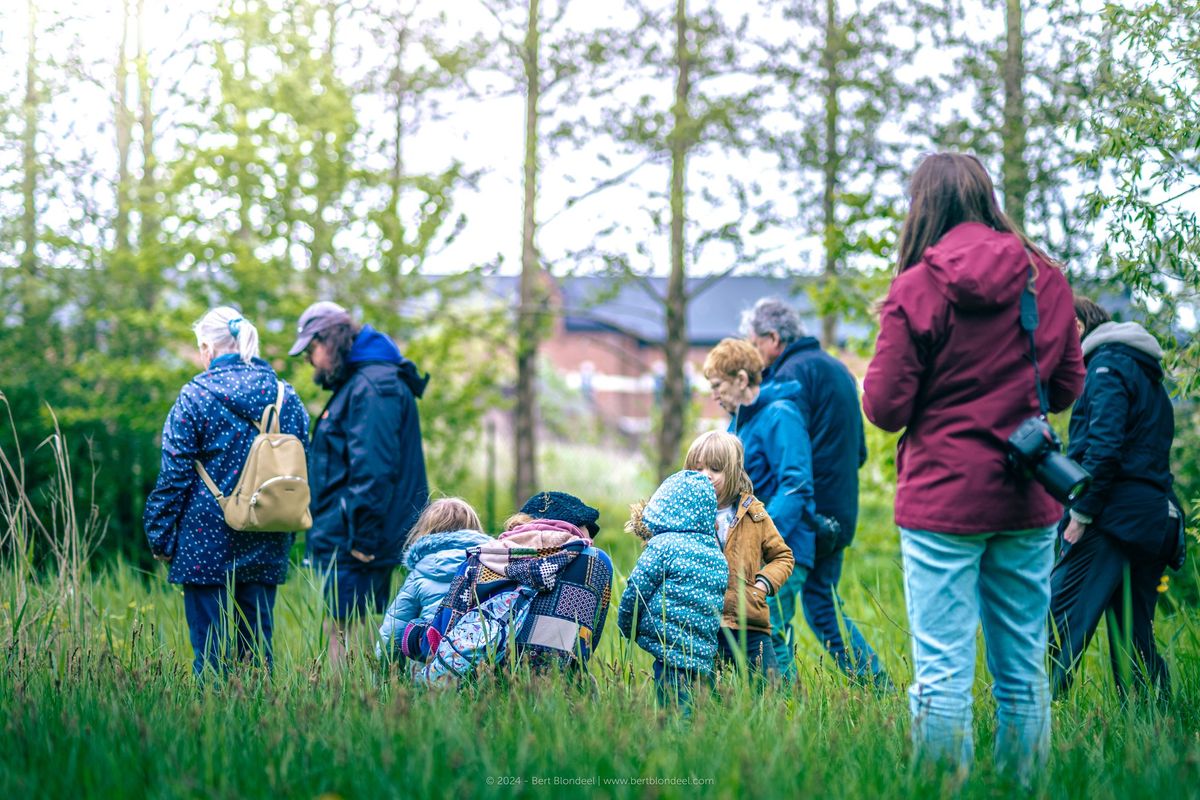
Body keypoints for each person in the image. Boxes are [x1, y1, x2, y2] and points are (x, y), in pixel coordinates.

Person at [862, 153, 1084, 783]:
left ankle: (941, 790)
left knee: (942, 671)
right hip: (1027, 495)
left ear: (922, 207)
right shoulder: (1046, 280)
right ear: (987, 197)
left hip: (943, 500)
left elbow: (884, 408)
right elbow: (1067, 385)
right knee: (1022, 671)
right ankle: (1025, 789)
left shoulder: (915, 288)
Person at [144, 307, 310, 676]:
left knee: (211, 659)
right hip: (267, 532)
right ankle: (260, 724)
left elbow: (174, 474)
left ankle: (213, 725)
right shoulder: (286, 395)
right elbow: (303, 463)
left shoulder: (194, 396)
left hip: (205, 542)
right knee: (257, 656)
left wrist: (160, 537)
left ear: (207, 348)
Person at [741, 297, 891, 689]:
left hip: (806, 518)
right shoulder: (837, 369)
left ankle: (783, 697)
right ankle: (879, 688)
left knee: (772, 612)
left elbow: (787, 457)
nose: (753, 355)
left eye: (754, 342)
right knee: (822, 603)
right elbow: (859, 452)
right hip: (839, 511)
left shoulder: (789, 377)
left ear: (773, 338)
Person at [1049, 297, 1179, 699]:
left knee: (1057, 628)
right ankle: (1153, 728)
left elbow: (1105, 449)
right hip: (1153, 520)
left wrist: (1081, 513)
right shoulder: (1143, 372)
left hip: (1111, 518)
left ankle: (1028, 723)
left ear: (1075, 327)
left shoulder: (1105, 367)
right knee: (1134, 641)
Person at [290, 301, 430, 666]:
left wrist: (362, 543)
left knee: (346, 629)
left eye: (311, 349)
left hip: (358, 542)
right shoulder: (363, 382)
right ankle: (358, 705)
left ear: (330, 341)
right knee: (343, 626)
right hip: (352, 536)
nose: (309, 360)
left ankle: (352, 709)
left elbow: (374, 471)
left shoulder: (374, 387)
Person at [702, 337, 818, 681]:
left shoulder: (780, 415)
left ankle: (785, 713)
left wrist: (760, 536)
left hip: (783, 547)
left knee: (770, 627)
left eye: (718, 385)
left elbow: (796, 484)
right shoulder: (738, 424)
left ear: (741, 379)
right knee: (750, 631)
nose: (714, 394)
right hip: (745, 553)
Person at [399, 492, 613, 674]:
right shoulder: (597, 562)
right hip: (563, 691)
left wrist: (410, 634)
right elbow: (587, 641)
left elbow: (436, 643)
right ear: (576, 529)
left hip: (486, 691)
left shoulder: (479, 561)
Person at [683, 431, 794, 678]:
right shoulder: (685, 516)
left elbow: (783, 556)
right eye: (697, 469)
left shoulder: (754, 514)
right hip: (703, 622)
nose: (706, 476)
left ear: (732, 471)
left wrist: (762, 586)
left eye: (715, 469)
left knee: (768, 688)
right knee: (705, 695)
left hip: (748, 621)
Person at [618, 470, 729, 706]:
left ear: (665, 508)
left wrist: (626, 625)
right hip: (704, 657)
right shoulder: (717, 554)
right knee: (700, 709)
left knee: (675, 713)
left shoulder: (663, 545)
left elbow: (636, 590)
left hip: (670, 653)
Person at [376, 498, 491, 663]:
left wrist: (386, 670)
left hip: (430, 666)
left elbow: (395, 627)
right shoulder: (489, 566)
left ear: (426, 531)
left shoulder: (419, 575)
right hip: (482, 662)